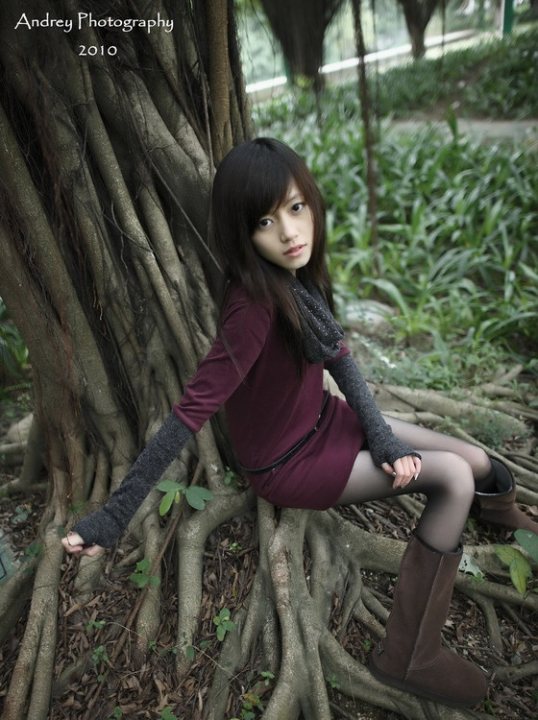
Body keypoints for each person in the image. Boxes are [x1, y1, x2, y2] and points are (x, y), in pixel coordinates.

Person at [62, 138, 536, 708]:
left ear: (311, 203)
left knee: (479, 461)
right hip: (291, 464)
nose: (288, 232)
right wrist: (114, 515)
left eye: (295, 208)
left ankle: (510, 521)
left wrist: (381, 435)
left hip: (324, 421)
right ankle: (409, 656)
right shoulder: (252, 307)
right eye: (266, 220)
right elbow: (189, 414)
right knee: (454, 478)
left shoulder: (296, 278)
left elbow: (339, 359)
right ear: (243, 233)